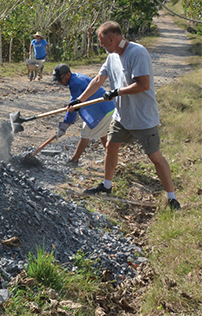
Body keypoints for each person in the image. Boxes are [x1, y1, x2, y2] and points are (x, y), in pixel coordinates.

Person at [69, 21, 180, 210]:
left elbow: (143, 84)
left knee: (154, 156)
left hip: (143, 117)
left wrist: (117, 92)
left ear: (112, 39)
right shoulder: (112, 57)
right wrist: (79, 100)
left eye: (102, 42)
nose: (101, 45)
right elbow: (98, 79)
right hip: (121, 116)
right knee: (111, 146)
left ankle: (172, 197)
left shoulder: (137, 53)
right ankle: (107, 186)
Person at [52, 63, 115, 166]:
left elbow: (73, 107)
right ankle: (111, 157)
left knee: (85, 134)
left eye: (60, 79)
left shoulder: (75, 84)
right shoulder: (77, 77)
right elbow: (76, 104)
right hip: (107, 107)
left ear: (68, 74)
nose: (59, 82)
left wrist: (64, 126)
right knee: (103, 134)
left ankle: (74, 160)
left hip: (102, 110)